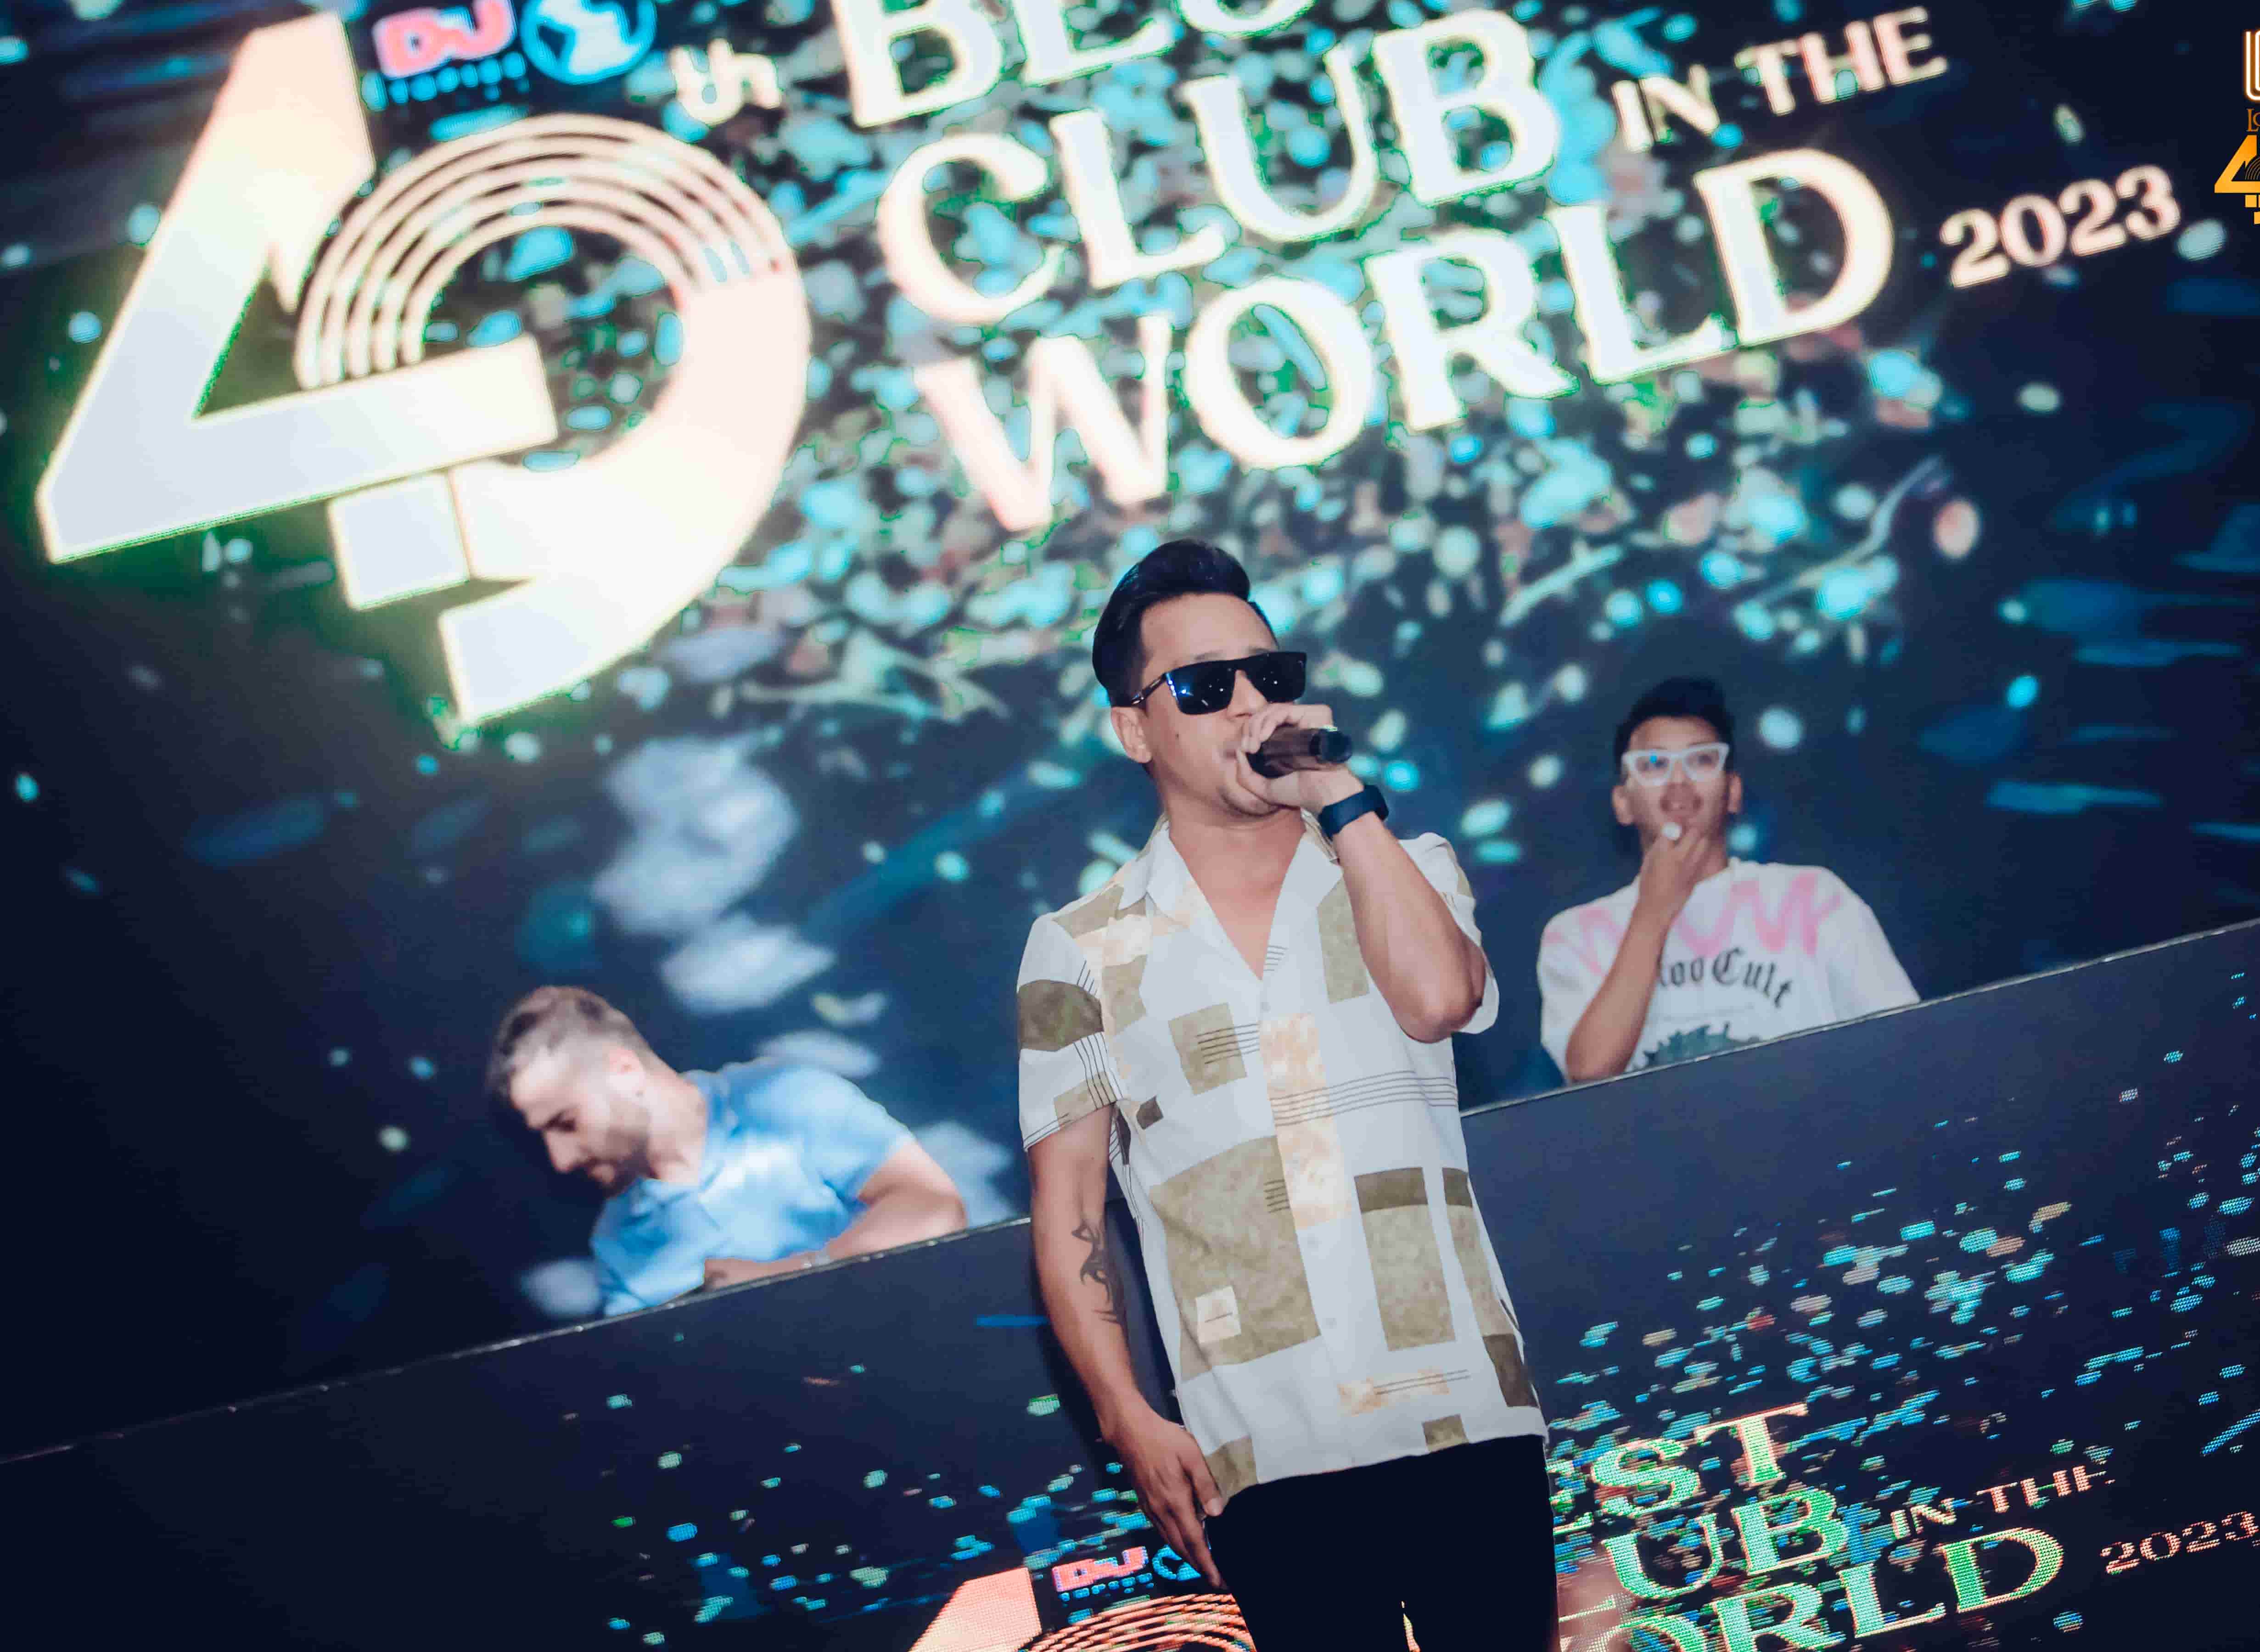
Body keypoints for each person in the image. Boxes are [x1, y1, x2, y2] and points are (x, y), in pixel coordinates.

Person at [1016, 540, 1555, 1650]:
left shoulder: (1404, 865)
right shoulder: (1079, 947)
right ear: (1134, 730)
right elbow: (1068, 1210)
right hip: (1261, 1447)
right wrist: (1124, 1416)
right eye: (1204, 687)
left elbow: (1439, 998)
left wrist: (1342, 802)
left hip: (1460, 1405)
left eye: (1269, 674)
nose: (1249, 705)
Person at [485, 986, 966, 1316]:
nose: (561, 1160)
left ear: (625, 1072)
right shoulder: (615, 1245)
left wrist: (783, 1276)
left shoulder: (787, 1096)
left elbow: (936, 1208)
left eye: (566, 1123)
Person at [1538, 677, 1918, 1084]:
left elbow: (1906, 1045)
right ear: (1623, 803)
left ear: (1733, 791)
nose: (1679, 782)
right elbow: (1589, 1073)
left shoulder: (1813, 898)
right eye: (1654, 764)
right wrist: (1652, 912)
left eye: (1701, 760)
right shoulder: (1576, 934)